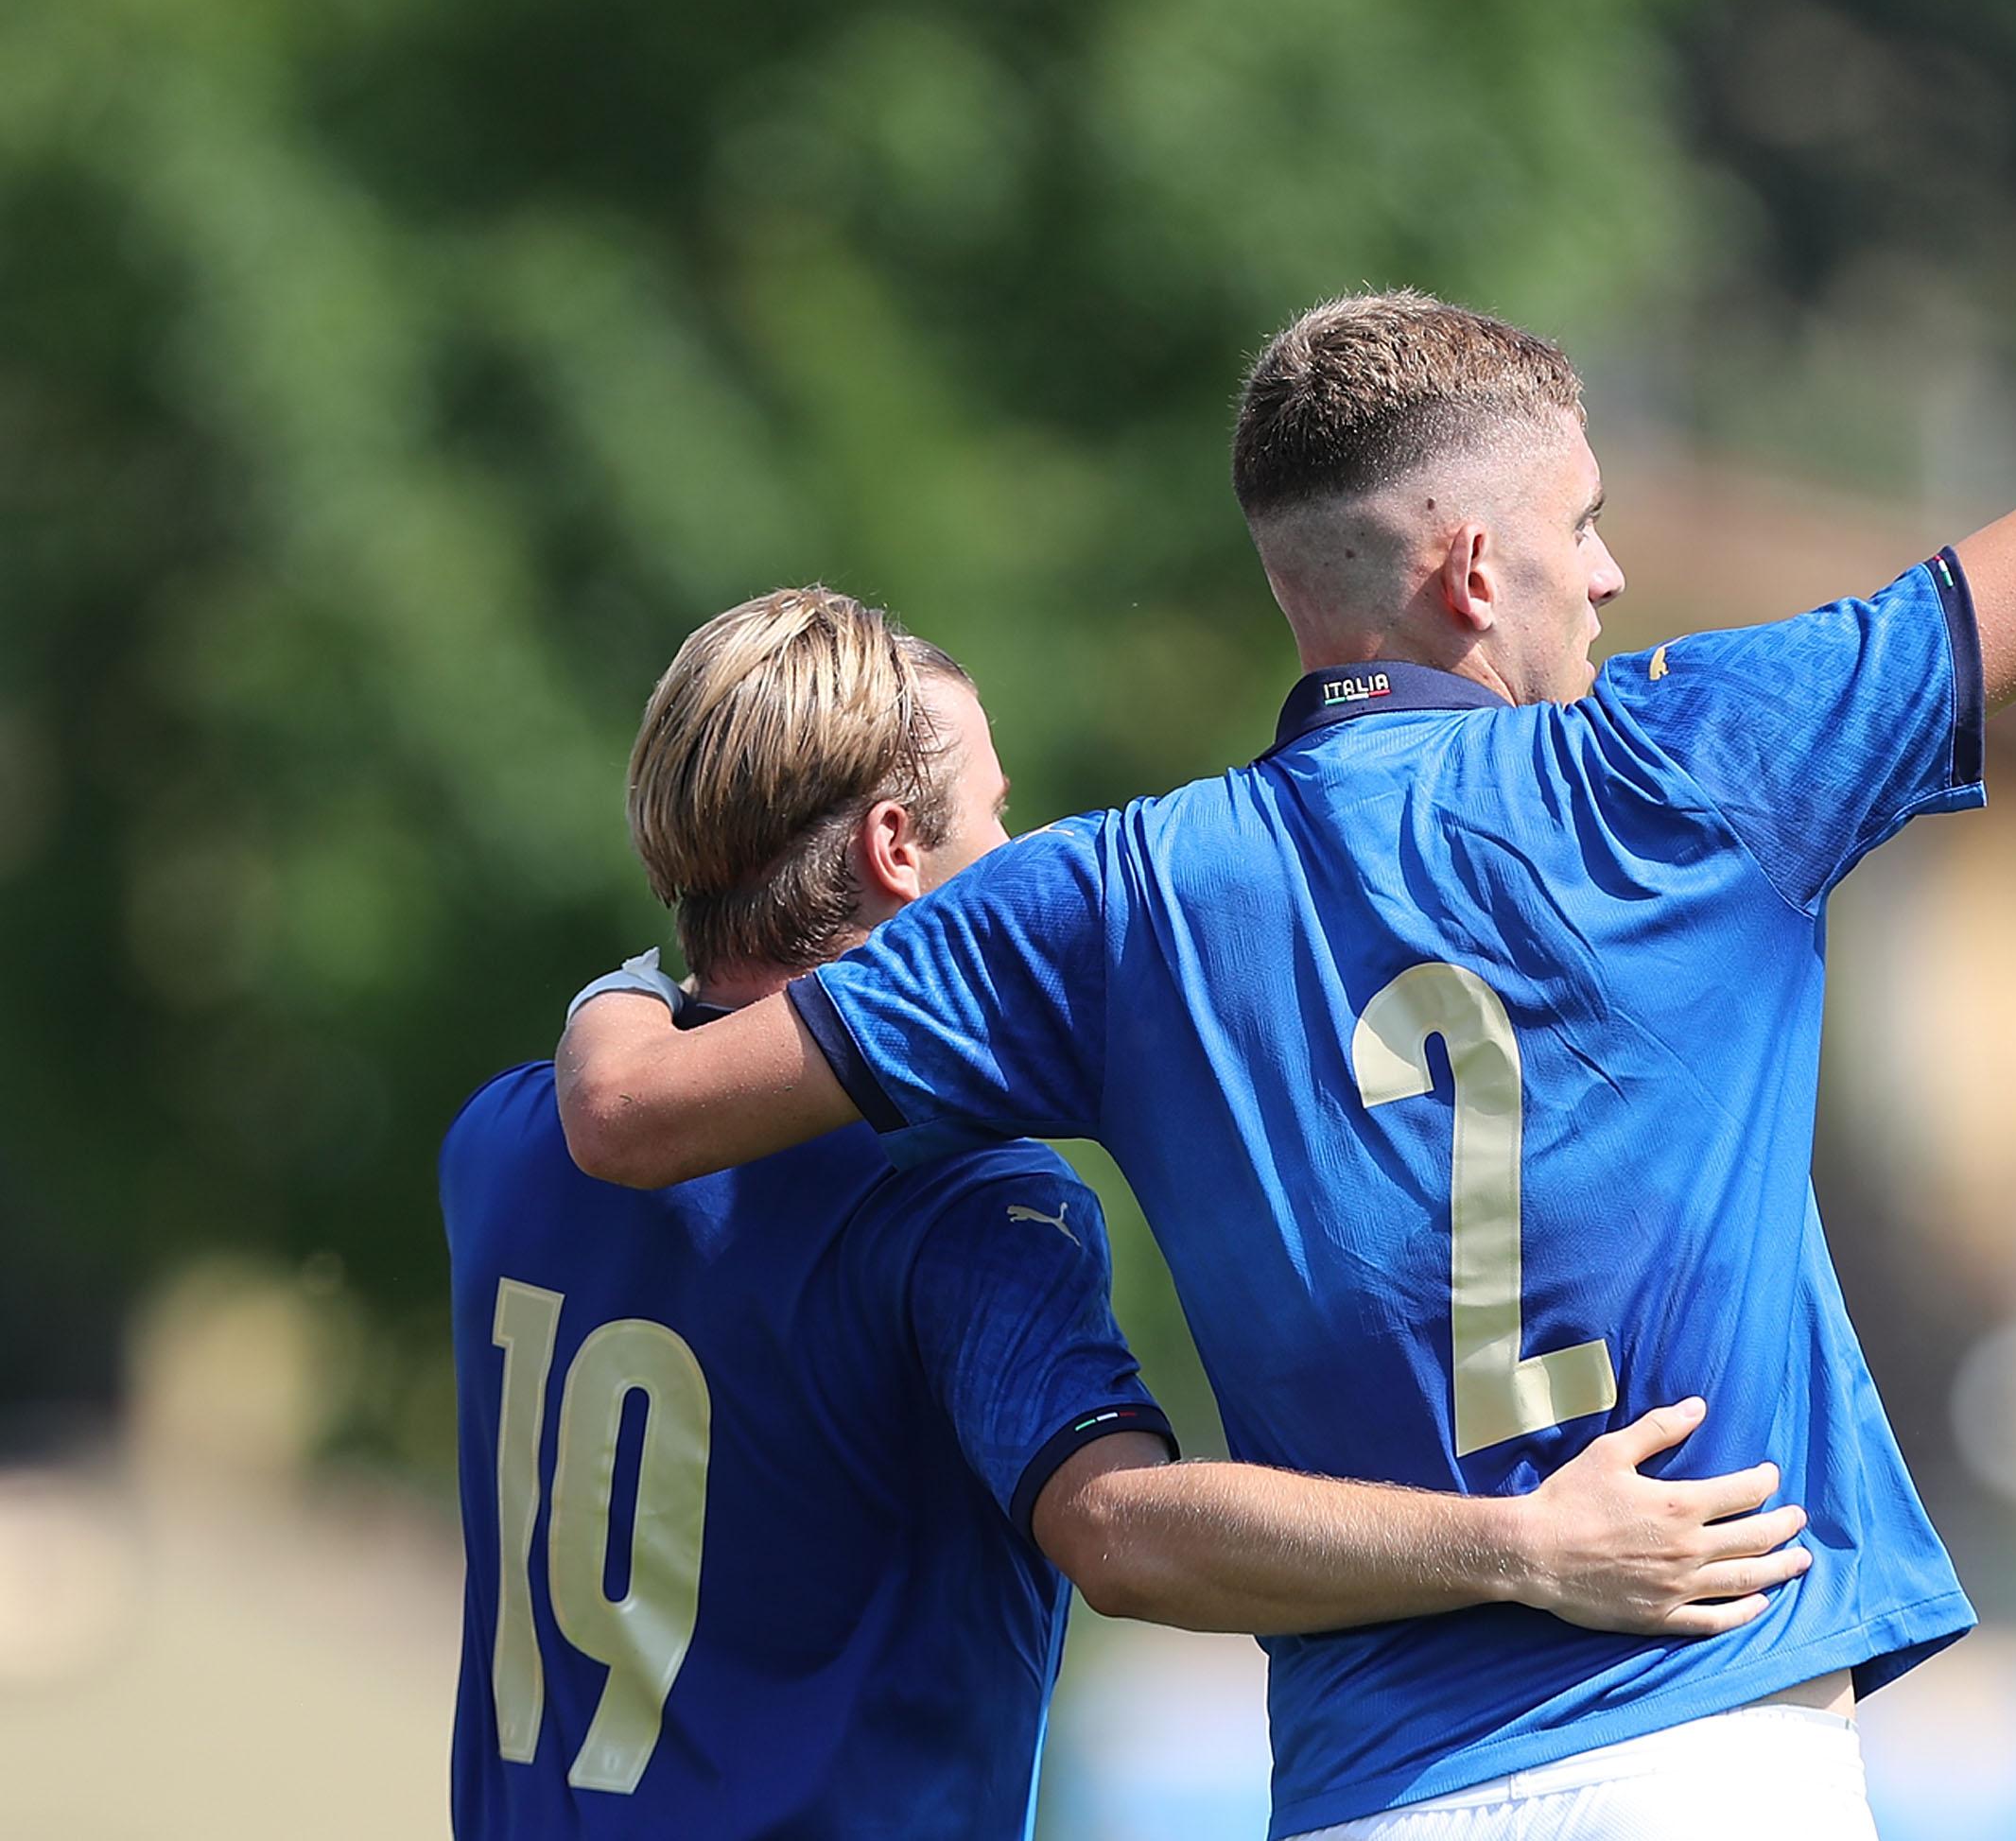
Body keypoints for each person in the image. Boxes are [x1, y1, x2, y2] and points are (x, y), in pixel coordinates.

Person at [556, 0, 2016, 1834]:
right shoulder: (1689, 769)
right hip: (1708, 1763)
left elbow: (639, 1116)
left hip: (1376, 1797)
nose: (1612, 574)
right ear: (1471, 571)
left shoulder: (1115, 902)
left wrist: (643, 941)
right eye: (1580, 523)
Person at [447, 588, 1810, 1839]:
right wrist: (1523, 1546)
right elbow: (1119, 1531)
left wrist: (618, 991)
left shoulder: (504, 1143)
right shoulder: (961, 1203)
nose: (1023, 846)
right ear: (896, 847)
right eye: (992, 811)